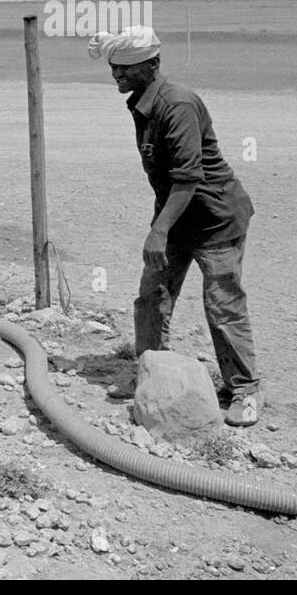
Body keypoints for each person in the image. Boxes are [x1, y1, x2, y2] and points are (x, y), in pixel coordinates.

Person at [88, 26, 260, 425]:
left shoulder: (177, 104)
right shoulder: (141, 103)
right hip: (175, 215)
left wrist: (158, 230)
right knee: (152, 296)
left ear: (152, 65)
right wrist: (163, 225)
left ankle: (245, 389)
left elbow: (188, 178)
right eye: (114, 69)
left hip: (216, 219)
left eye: (126, 69)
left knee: (222, 305)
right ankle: (153, 374)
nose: (118, 76)